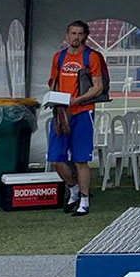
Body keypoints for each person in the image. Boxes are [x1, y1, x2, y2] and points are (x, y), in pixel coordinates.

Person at [48, 20, 105, 217]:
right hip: (61, 112)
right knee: (56, 158)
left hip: (83, 111)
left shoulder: (91, 57)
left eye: (79, 34)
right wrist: (56, 100)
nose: (76, 37)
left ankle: (84, 199)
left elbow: (98, 87)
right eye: (72, 33)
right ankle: (72, 188)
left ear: (85, 36)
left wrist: (78, 100)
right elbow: (53, 83)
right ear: (67, 35)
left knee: (81, 159)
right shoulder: (59, 57)